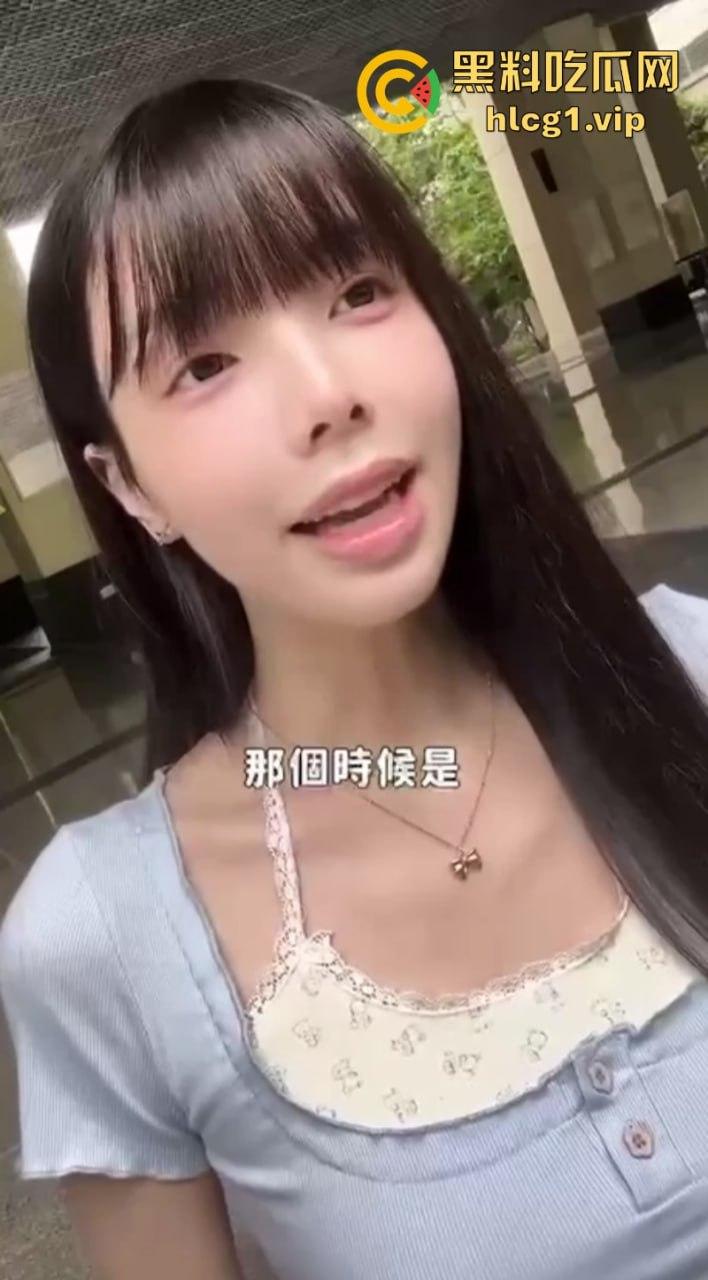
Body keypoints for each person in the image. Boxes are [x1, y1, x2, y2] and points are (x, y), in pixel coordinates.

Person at [1, 75, 708, 1280]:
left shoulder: (688, 666)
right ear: (128, 486)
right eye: (205, 363)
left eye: (360, 292)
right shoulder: (105, 940)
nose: (330, 397)